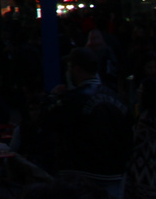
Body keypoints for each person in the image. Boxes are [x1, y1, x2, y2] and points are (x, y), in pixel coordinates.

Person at [42, 48, 132, 196]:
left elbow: (49, 122)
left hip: (80, 174)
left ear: (76, 69)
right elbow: (129, 134)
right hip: (114, 174)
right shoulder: (118, 99)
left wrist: (52, 98)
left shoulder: (72, 99)